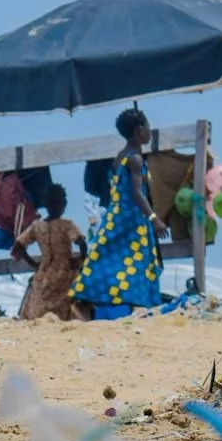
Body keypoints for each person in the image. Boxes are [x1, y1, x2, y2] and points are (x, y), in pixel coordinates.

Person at [70, 106, 168, 317]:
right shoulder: (135, 159)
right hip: (131, 220)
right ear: (139, 130)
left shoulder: (121, 156)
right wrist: (154, 219)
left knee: (110, 258)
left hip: (118, 217)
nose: (149, 131)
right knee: (136, 262)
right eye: (148, 127)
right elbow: (136, 193)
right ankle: (96, 301)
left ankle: (94, 300)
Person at [13, 185, 86, 320]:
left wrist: (33, 263)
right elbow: (81, 243)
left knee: (39, 305)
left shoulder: (37, 226)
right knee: (68, 304)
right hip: (65, 270)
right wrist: (81, 260)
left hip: (44, 270)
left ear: (45, 204)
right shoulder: (67, 224)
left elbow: (18, 247)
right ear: (64, 203)